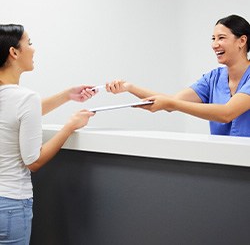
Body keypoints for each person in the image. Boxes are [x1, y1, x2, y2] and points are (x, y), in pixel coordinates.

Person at [0, 24, 96, 244]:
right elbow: (33, 161)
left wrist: (66, 95)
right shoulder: (25, 98)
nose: (34, 49)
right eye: (29, 43)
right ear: (14, 52)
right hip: (11, 205)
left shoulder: (17, 99)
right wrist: (69, 127)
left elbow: (18, 116)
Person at [106, 14, 250, 137]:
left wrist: (171, 103)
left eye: (221, 38)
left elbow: (226, 113)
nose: (214, 44)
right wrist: (129, 87)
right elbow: (171, 102)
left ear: (242, 41)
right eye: (213, 38)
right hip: (226, 159)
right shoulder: (213, 78)